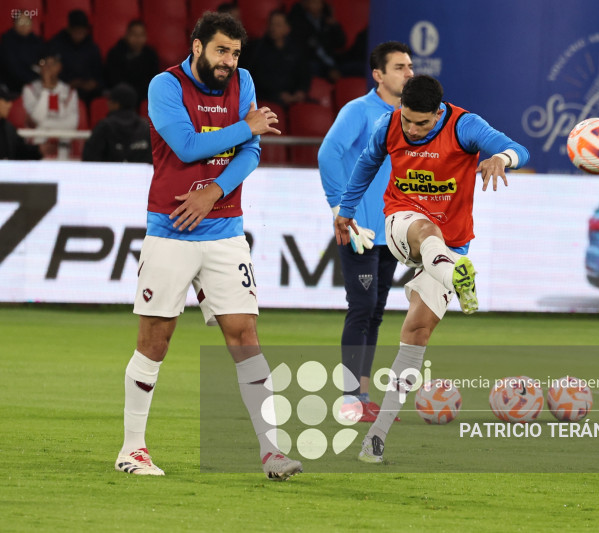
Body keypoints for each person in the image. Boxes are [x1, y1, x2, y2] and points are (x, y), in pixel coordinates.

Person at [114, 12, 303, 481]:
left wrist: (213, 192)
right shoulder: (165, 85)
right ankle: (132, 449)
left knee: (245, 337)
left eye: (235, 53)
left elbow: (254, 151)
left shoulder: (244, 81)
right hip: (171, 229)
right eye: (221, 50)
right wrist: (247, 127)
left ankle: (271, 450)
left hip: (225, 231)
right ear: (197, 47)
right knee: (155, 341)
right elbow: (185, 146)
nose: (229, 62)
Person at [334, 74, 530, 463]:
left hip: (454, 243)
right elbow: (367, 163)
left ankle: (376, 437)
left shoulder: (464, 125)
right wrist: (346, 209)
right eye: (407, 119)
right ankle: (454, 273)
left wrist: (500, 158)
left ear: (438, 113)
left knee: (416, 332)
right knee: (426, 229)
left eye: (421, 123)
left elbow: (518, 148)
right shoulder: (388, 124)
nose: (412, 128)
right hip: (402, 224)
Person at [319, 41, 413, 423]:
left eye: (410, 67)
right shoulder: (359, 111)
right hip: (360, 229)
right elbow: (328, 153)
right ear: (378, 75)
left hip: (392, 231)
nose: (408, 73)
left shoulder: (410, 116)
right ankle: (349, 398)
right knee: (360, 309)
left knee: (375, 311)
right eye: (399, 67)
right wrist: (342, 209)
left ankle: (362, 393)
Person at [246, 10, 310, 107]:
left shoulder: (296, 49)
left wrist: (301, 91)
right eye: (271, 24)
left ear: (287, 28)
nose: (273, 28)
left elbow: (304, 73)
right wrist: (278, 94)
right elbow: (258, 78)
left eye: (278, 25)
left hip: (294, 98)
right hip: (268, 98)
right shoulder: (258, 48)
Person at [21, 52, 79, 151]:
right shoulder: (29, 89)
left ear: (60, 67)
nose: (48, 68)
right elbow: (37, 118)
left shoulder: (70, 92)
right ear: (39, 67)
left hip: (63, 145)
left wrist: (43, 126)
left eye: (53, 64)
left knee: (64, 137)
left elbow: (72, 123)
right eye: (44, 64)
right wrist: (46, 89)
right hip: (36, 145)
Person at [82, 83, 151, 163]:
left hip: (108, 174)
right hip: (142, 175)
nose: (107, 104)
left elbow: (88, 158)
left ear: (116, 104)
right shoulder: (146, 127)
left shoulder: (104, 126)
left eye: (110, 101)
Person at [47, 9, 104, 102]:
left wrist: (94, 83)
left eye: (82, 31)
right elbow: (50, 72)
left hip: (88, 94)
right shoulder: (56, 45)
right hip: (62, 90)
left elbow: (99, 74)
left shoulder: (92, 47)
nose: (79, 35)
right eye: (76, 31)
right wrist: (68, 83)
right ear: (69, 29)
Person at [104, 20, 160, 107]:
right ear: (127, 35)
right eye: (134, 35)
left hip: (144, 96)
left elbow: (154, 79)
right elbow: (114, 80)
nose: (138, 39)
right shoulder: (115, 54)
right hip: (122, 97)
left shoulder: (151, 55)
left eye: (141, 35)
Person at [287, 0, 346, 81]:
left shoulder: (327, 21)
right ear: (306, 4)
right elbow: (305, 49)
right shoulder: (298, 22)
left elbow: (341, 43)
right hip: (312, 62)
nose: (316, 5)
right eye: (313, 2)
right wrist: (328, 69)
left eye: (318, 2)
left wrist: (335, 27)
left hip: (332, 60)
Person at [0, 14, 45, 94]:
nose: (24, 25)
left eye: (27, 22)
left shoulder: (37, 41)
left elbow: (44, 61)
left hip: (36, 82)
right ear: (14, 24)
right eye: (20, 22)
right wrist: (38, 80)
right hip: (13, 87)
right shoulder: (7, 42)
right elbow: (14, 69)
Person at [0, 83, 42, 160]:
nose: (9, 105)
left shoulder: (8, 127)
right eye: (5, 101)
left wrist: (39, 149)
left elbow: (20, 150)